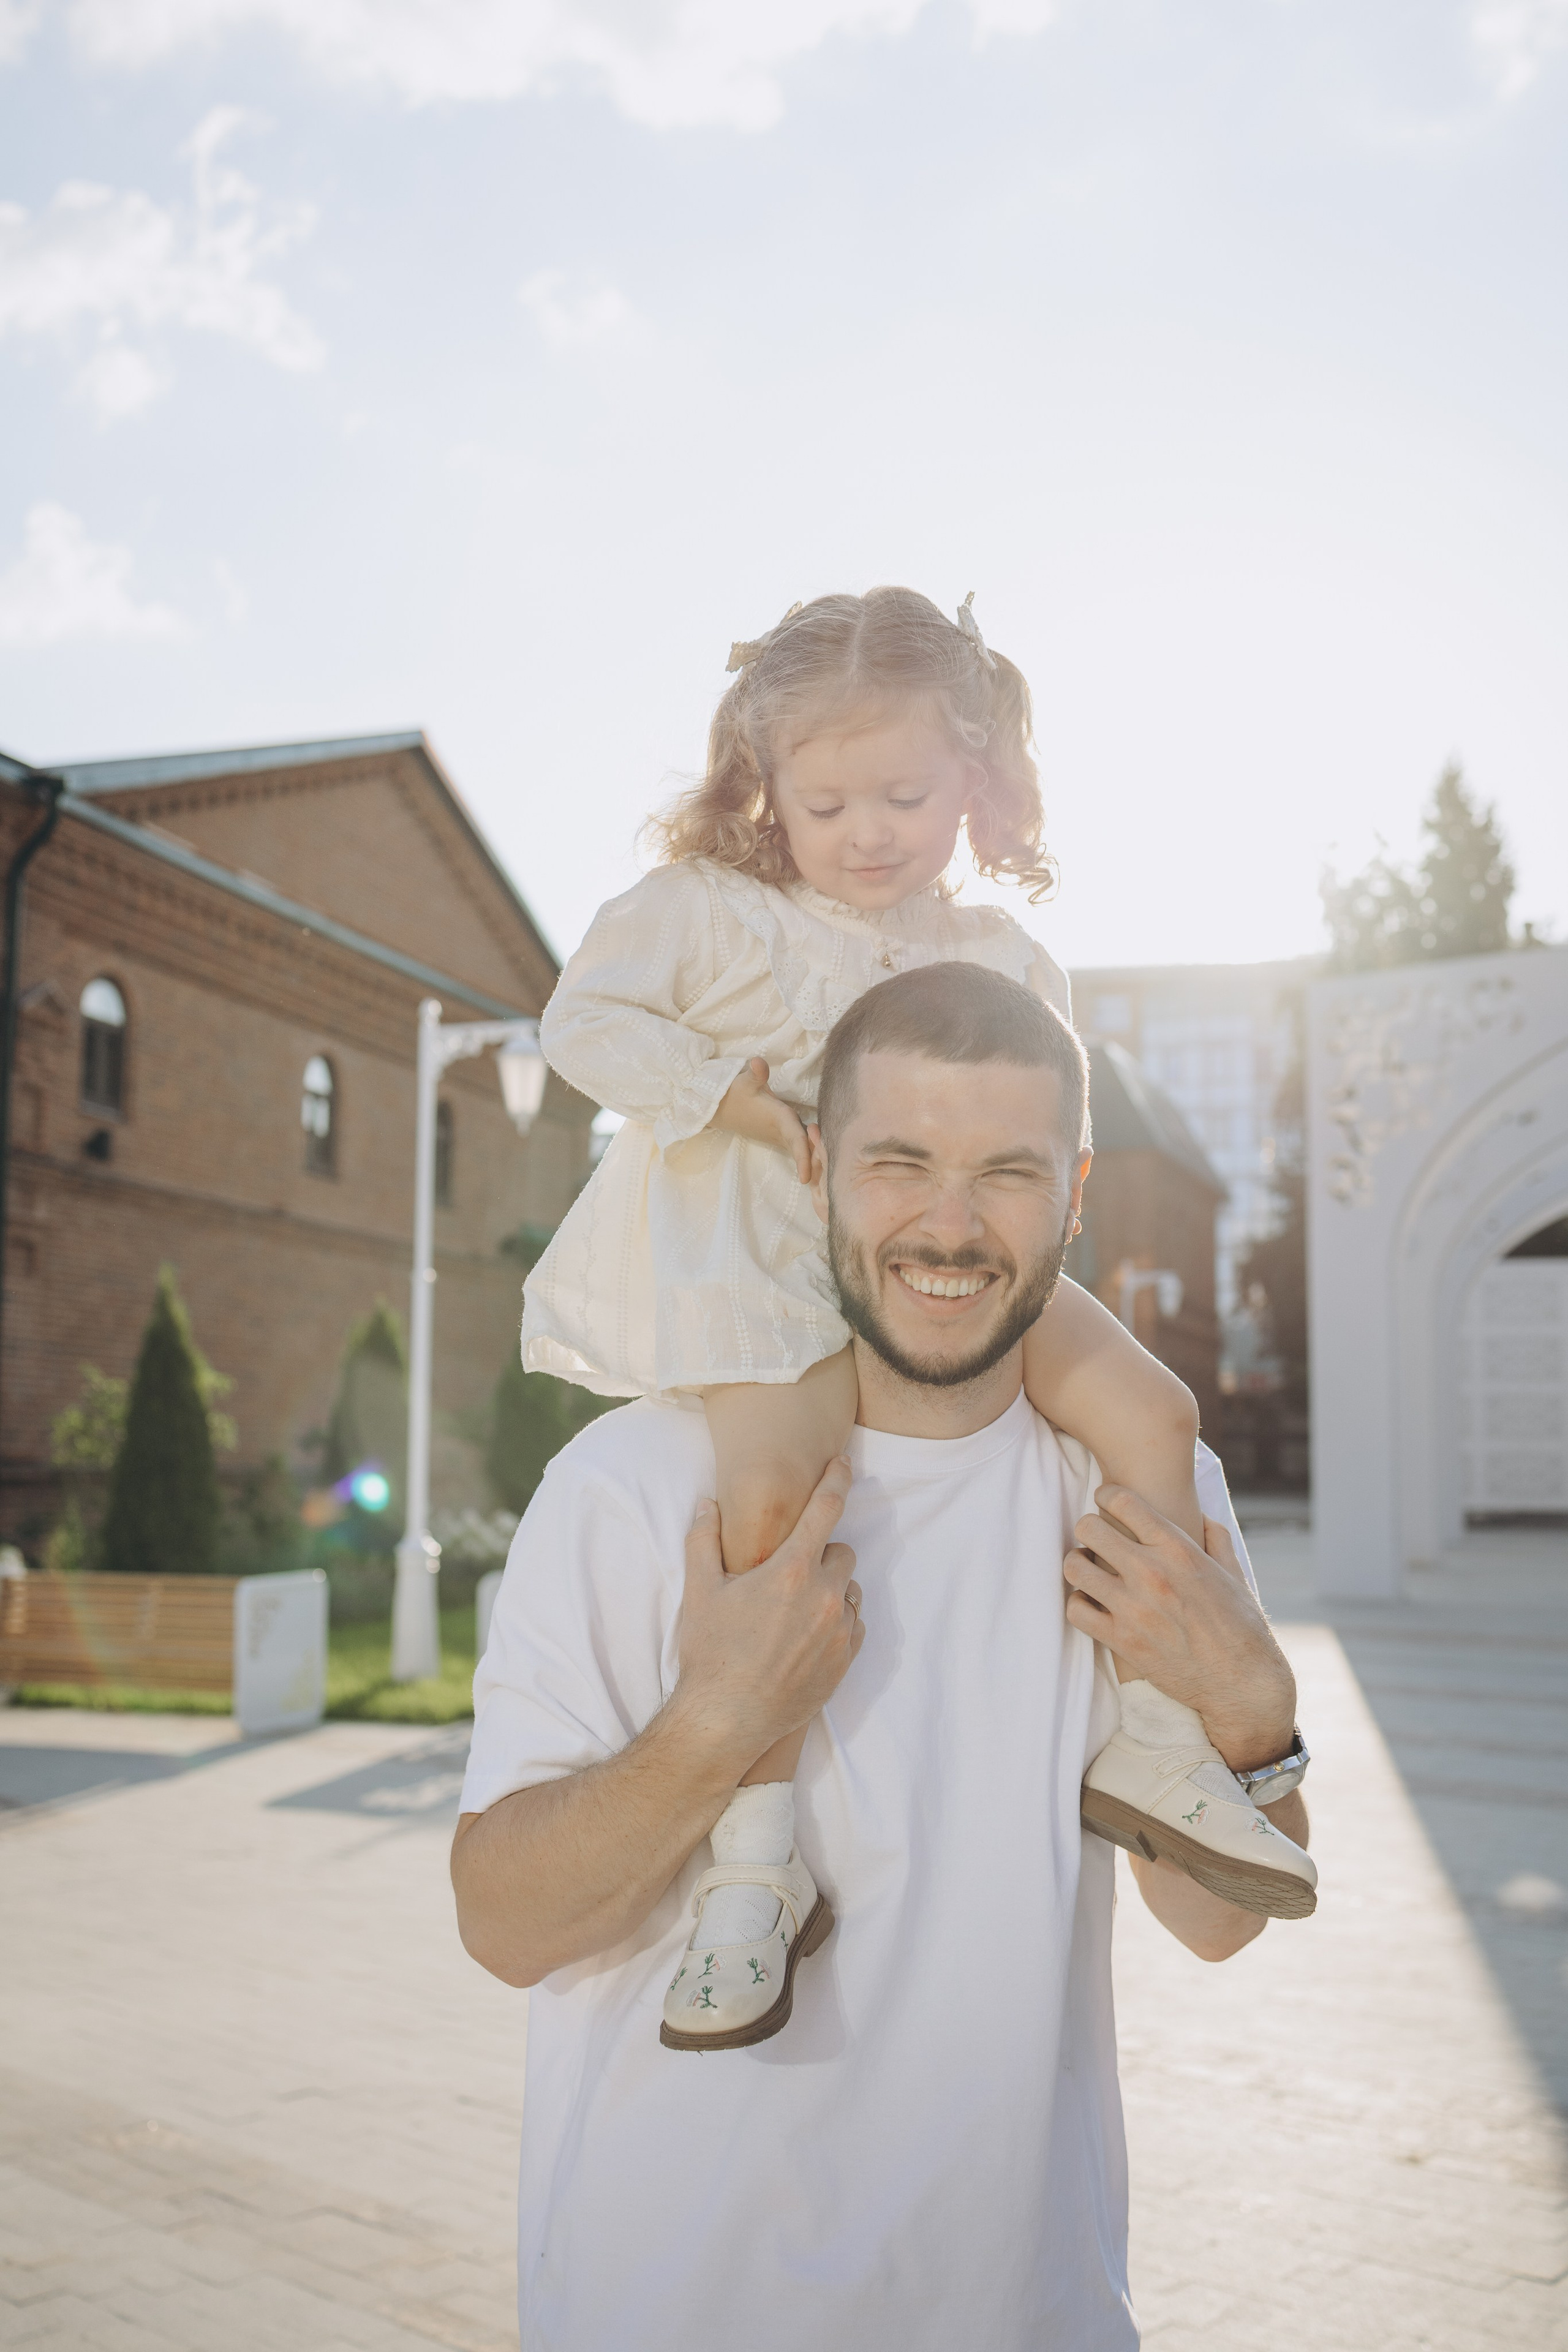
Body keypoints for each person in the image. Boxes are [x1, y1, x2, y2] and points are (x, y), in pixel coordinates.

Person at [451, 963, 1314, 2351]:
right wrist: (714, 1722)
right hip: (674, 2310)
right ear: (816, 1170)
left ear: (1075, 1187)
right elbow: (504, 1926)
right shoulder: (631, 1484)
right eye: (898, 1161)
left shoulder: (1139, 1486)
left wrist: (1253, 1707)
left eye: (1007, 1172)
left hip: (1026, 2311)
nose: (950, 1223)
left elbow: (1216, 1922)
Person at [518, 587, 1311, 2042]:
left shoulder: (1003, 957)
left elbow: (1036, 1130)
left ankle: (1153, 1736)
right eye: (825, 799)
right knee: (771, 1496)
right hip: (761, 1255)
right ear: (761, 784)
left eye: (906, 792)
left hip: (958, 1250)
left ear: (978, 787)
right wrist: (743, 1100)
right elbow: (582, 1023)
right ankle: (753, 1874)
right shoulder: (708, 915)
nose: (867, 829)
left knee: (1154, 1411)